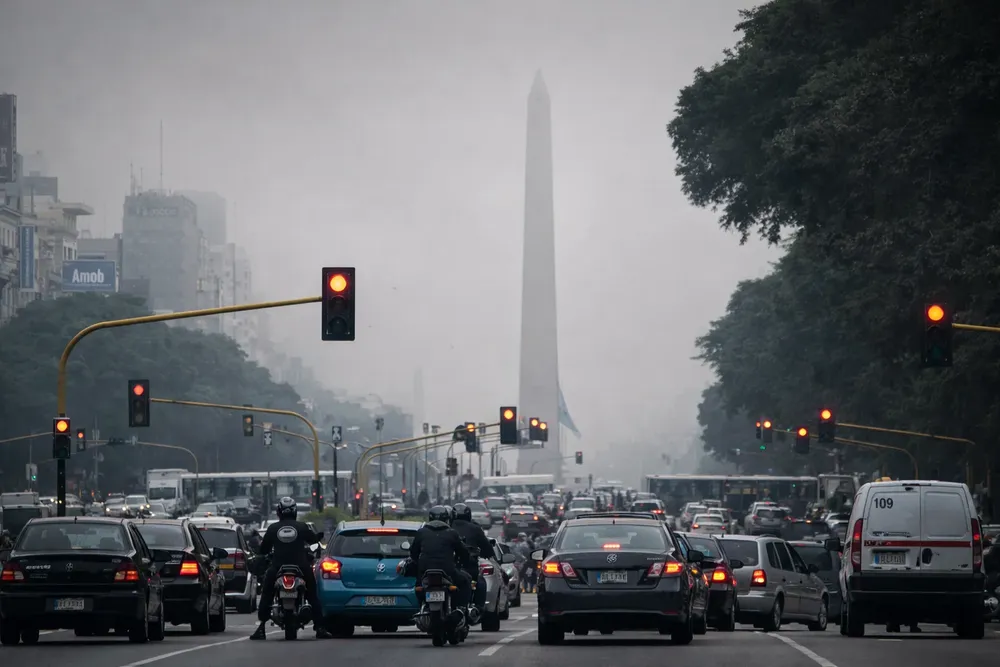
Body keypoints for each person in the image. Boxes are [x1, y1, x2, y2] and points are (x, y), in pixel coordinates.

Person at [250, 497, 330, 640]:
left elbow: (263, 549)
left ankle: (261, 627)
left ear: (279, 512)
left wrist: (264, 554)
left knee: (267, 593)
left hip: (277, 567)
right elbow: (314, 539)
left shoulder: (273, 528)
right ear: (294, 511)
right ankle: (320, 628)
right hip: (301, 566)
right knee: (312, 593)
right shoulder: (302, 527)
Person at [409, 505, 472, 615]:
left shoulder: (421, 532)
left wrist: (419, 563)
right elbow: (463, 553)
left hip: (425, 571)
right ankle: (462, 608)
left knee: (418, 587)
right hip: (448, 570)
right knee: (466, 580)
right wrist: (465, 561)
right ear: (447, 519)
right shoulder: (452, 533)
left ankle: (422, 606)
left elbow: (413, 553)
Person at [452, 503, 492, 614]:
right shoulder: (475, 528)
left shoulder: (447, 528)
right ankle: (478, 608)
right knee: (480, 583)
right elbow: (487, 548)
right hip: (467, 567)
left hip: (450, 567)